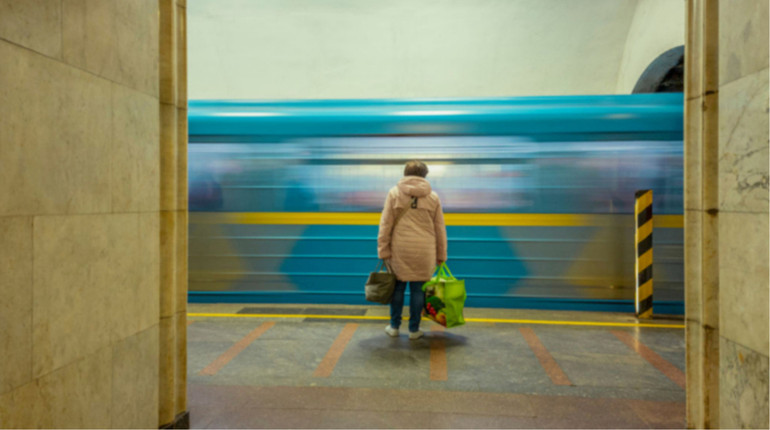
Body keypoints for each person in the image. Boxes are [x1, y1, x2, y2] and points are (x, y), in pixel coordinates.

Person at [377, 160, 448, 340]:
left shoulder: (394, 194)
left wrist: (383, 250)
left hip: (399, 249)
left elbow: (385, 224)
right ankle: (414, 330)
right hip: (425, 250)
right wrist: (441, 254)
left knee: (398, 289)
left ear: (405, 173)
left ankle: (394, 327)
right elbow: (440, 228)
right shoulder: (433, 197)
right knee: (418, 290)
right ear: (424, 175)